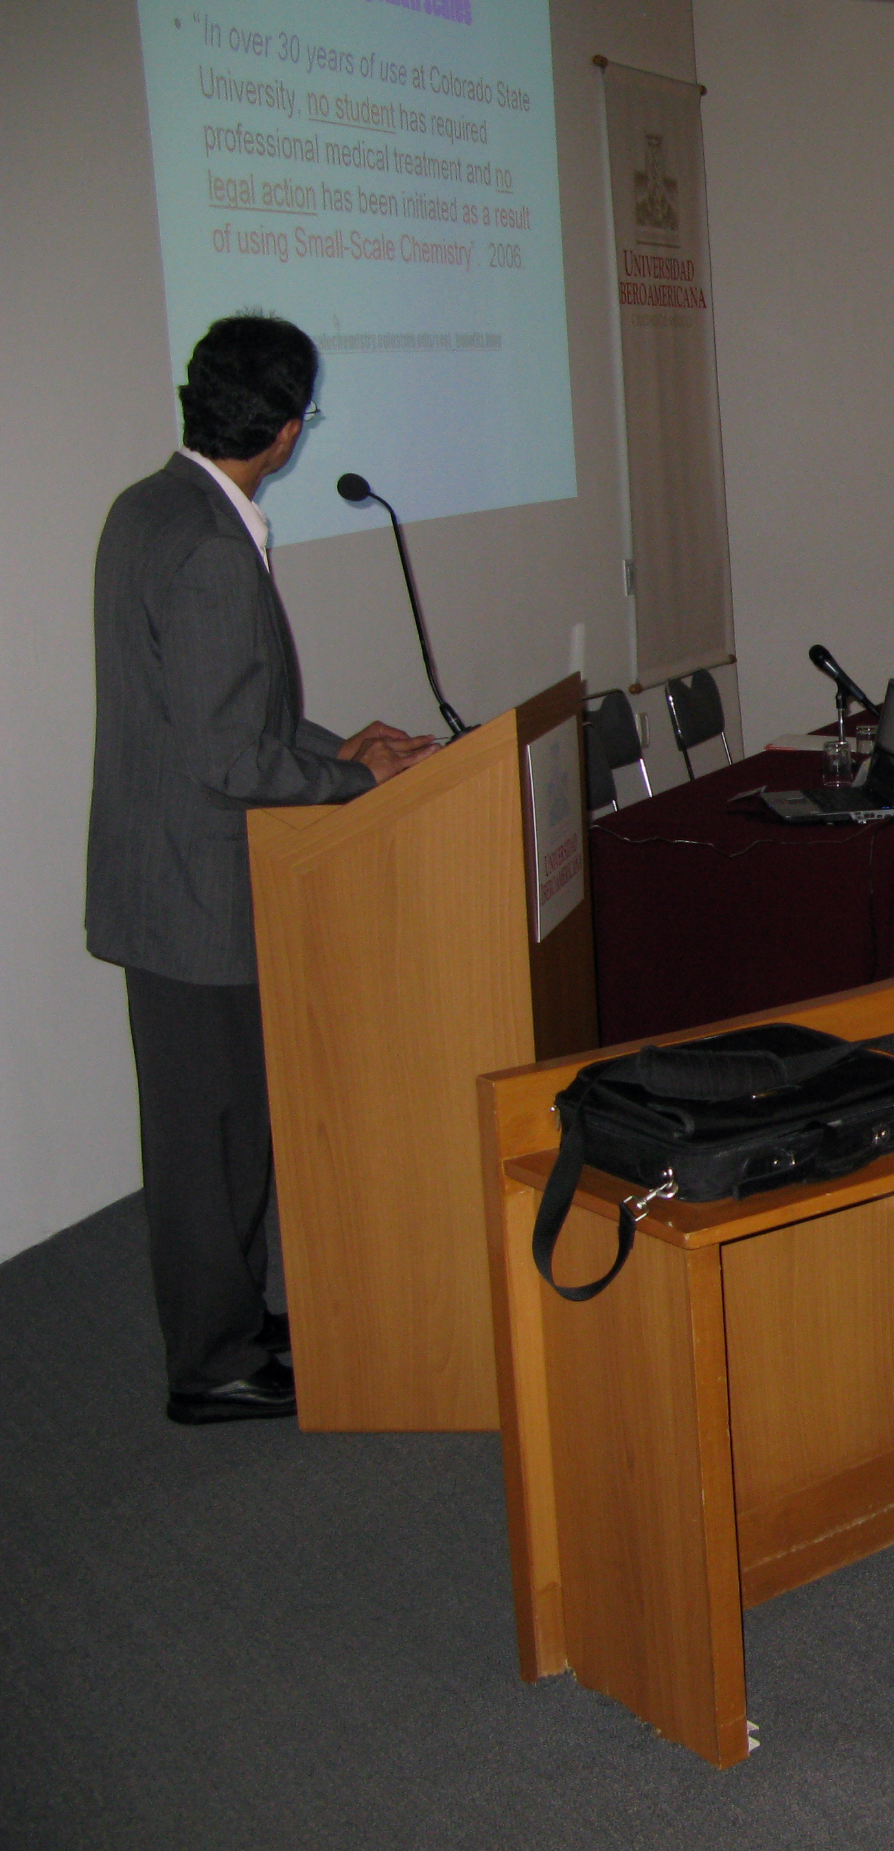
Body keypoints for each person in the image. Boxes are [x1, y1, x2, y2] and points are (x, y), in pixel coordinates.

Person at [86, 313, 438, 1426]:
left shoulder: (148, 508)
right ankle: (214, 1364)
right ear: (287, 431)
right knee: (214, 1142)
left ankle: (230, 1321)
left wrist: (341, 749)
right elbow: (228, 757)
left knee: (213, 1131)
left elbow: (211, 713)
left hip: (164, 881)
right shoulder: (206, 545)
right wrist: (353, 784)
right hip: (197, 898)